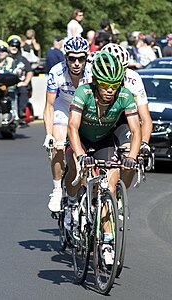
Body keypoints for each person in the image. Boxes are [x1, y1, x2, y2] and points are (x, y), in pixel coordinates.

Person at [65, 51, 141, 260]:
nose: (110, 90)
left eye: (114, 85)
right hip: (80, 138)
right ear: (96, 82)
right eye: (106, 85)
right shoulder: (83, 92)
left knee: (109, 185)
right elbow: (72, 126)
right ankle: (72, 204)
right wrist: (80, 155)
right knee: (74, 168)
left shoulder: (125, 96)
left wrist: (131, 158)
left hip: (103, 140)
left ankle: (107, 239)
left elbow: (136, 130)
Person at [43, 36, 92, 212]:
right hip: (64, 108)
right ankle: (56, 190)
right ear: (66, 58)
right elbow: (49, 106)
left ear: (87, 58)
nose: (76, 63)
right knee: (58, 147)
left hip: (85, 110)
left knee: (85, 156)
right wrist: (49, 134)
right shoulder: (56, 72)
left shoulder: (93, 72)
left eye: (81, 58)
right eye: (72, 58)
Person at [101, 43, 153, 187]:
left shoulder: (133, 79)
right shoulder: (92, 75)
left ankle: (120, 195)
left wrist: (144, 143)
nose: (120, 72)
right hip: (99, 121)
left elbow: (145, 118)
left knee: (130, 156)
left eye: (124, 68)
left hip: (123, 121)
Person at [7, 35, 33, 119]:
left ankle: (21, 111)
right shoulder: (4, 58)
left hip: (19, 83)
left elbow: (29, 72)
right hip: (5, 83)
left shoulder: (23, 59)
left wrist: (25, 82)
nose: (14, 48)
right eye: (12, 45)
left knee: (23, 90)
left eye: (16, 46)